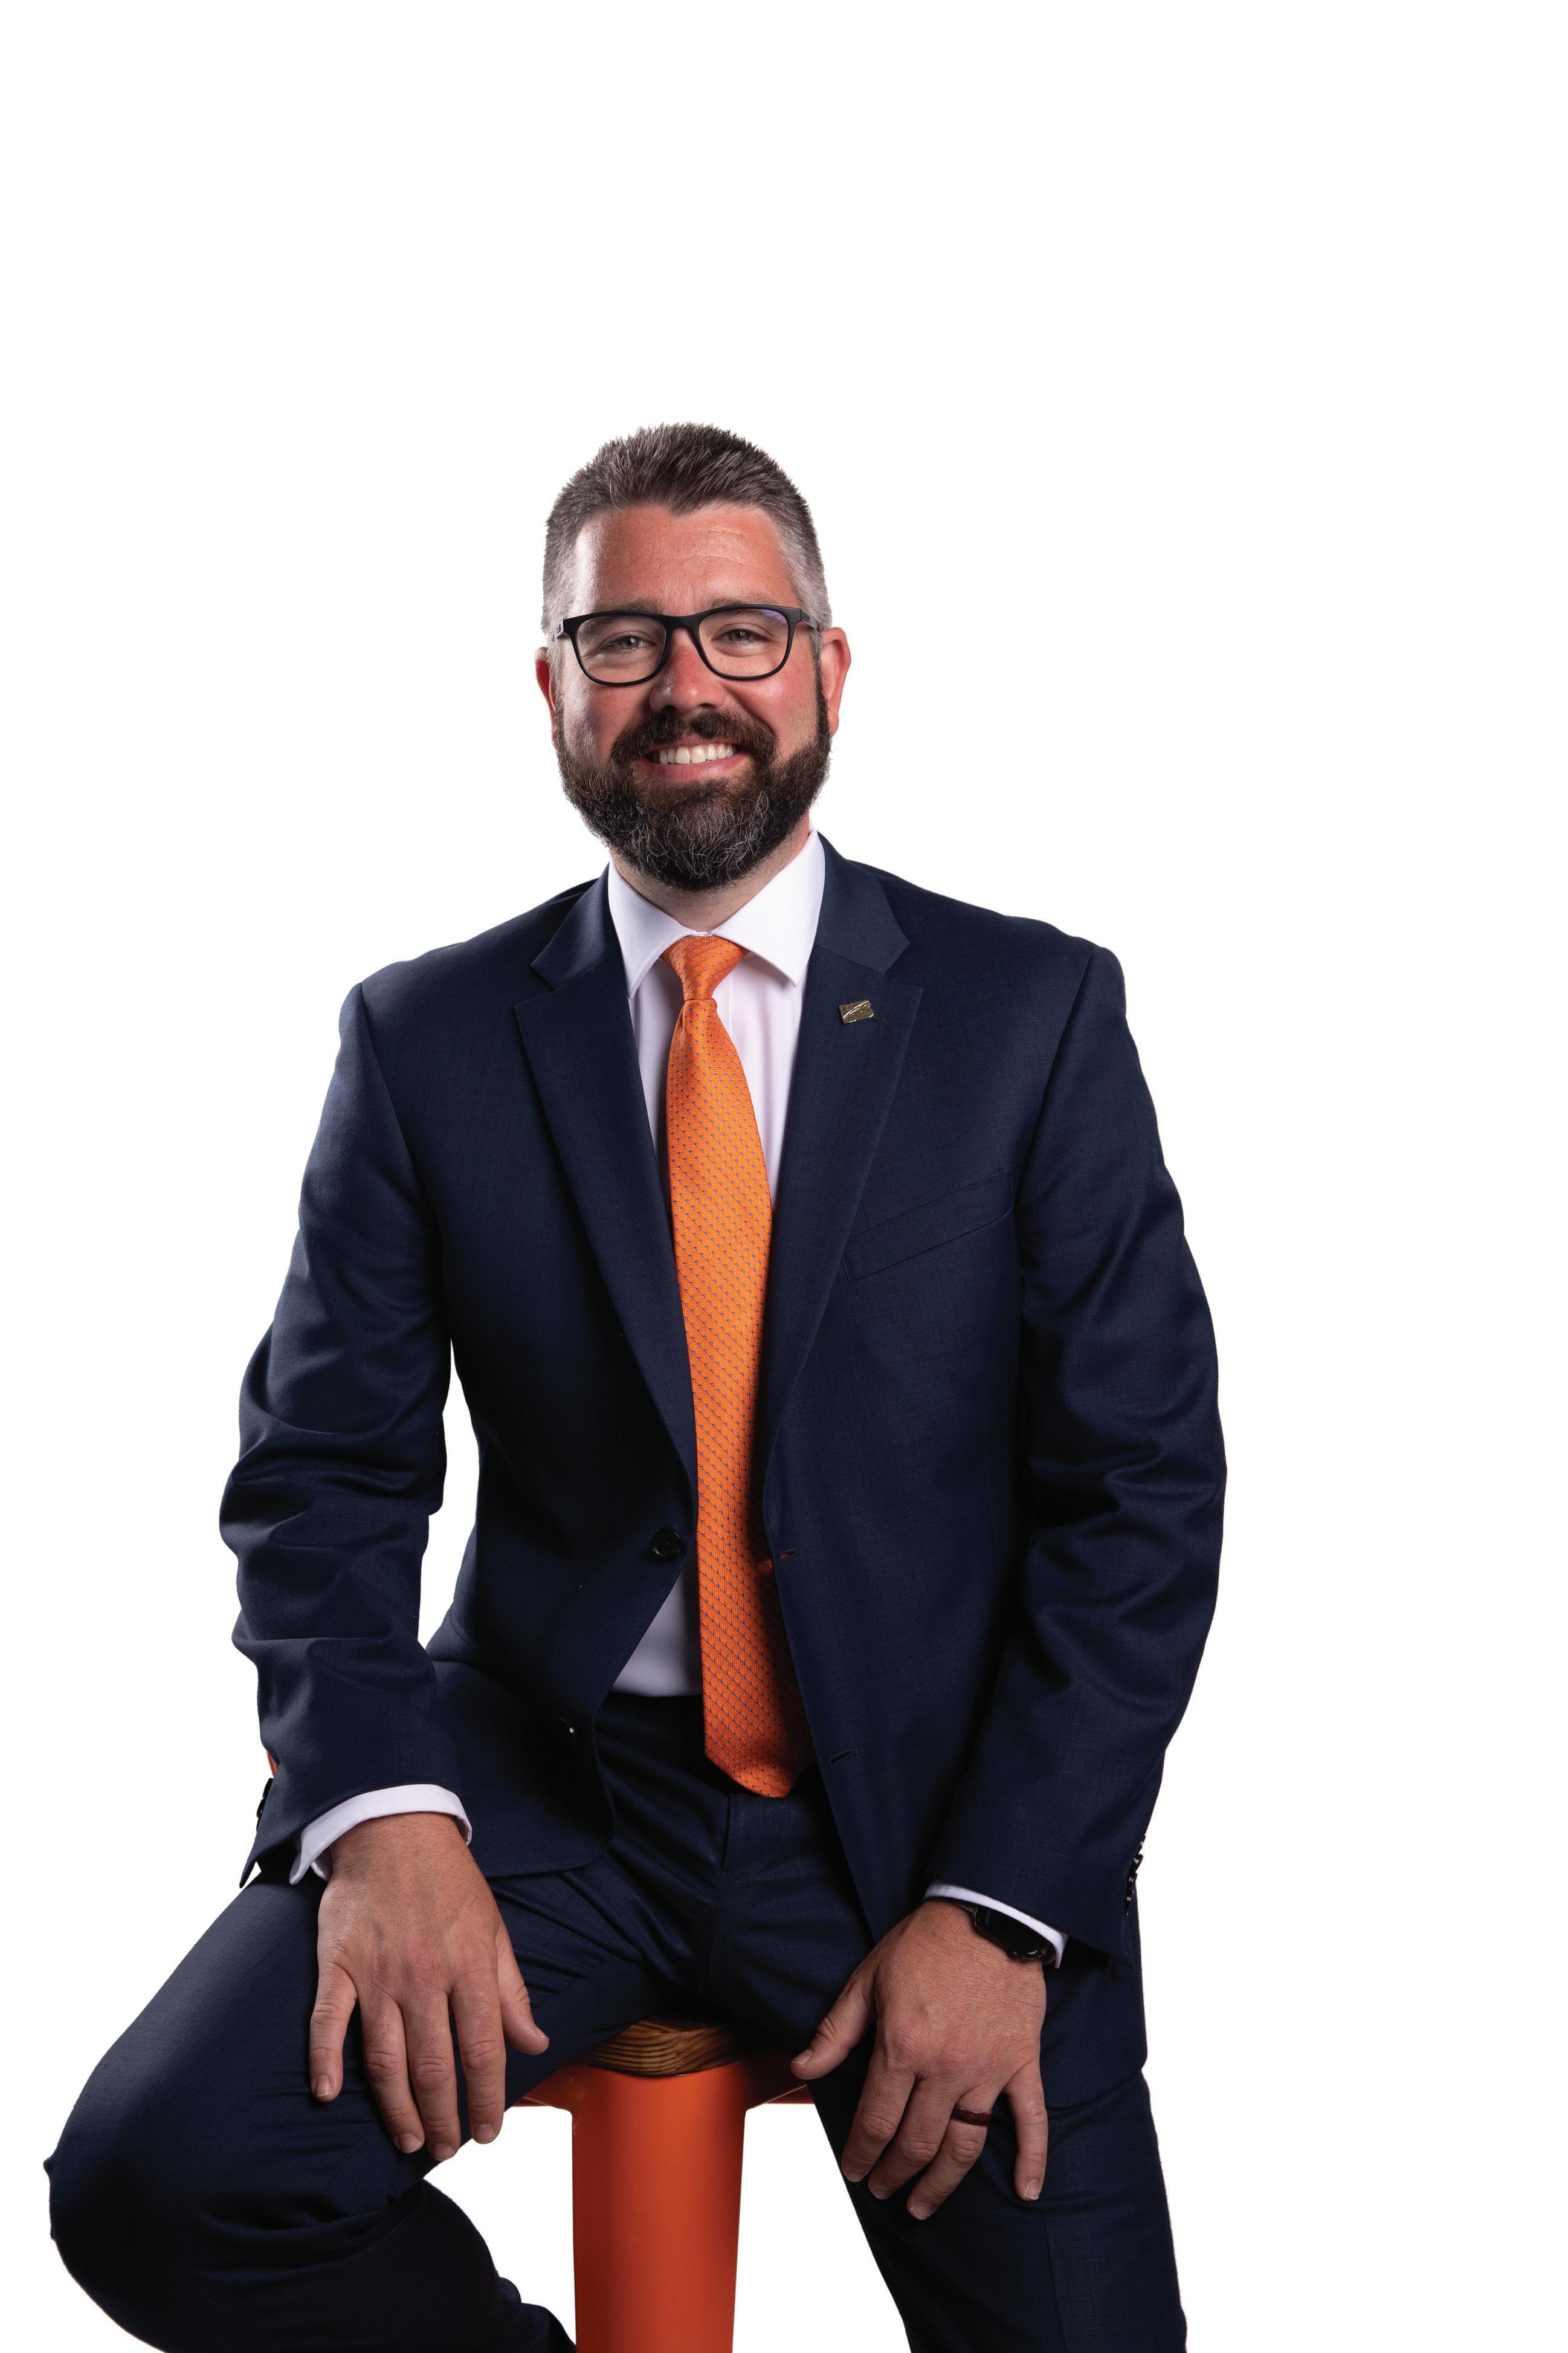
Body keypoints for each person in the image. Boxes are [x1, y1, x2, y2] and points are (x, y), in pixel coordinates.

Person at [47, 423, 1224, 2351]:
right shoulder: (426, 1038)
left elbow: (1139, 1497)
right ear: (553, 688)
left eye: (740, 632)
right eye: (624, 641)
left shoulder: (1029, 1017)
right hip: (543, 1802)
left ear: (826, 671)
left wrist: (1005, 1905)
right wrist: (383, 1813)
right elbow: (326, 1475)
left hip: (927, 1828)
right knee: (161, 2184)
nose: (686, 685)